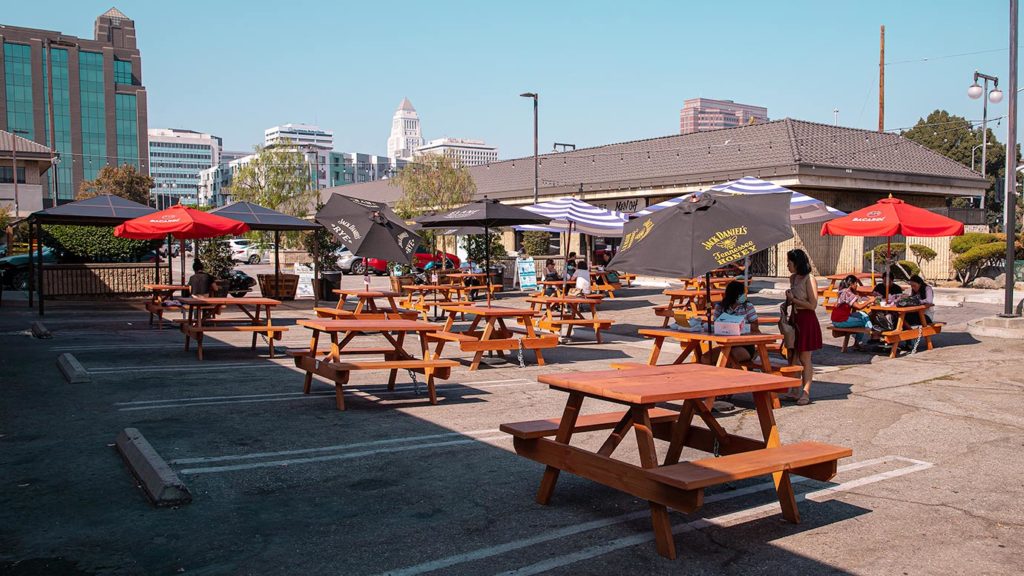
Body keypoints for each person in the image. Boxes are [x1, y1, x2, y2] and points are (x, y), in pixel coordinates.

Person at [784, 249, 821, 406]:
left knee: (805, 358)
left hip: (807, 320)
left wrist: (794, 299)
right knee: (792, 356)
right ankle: (793, 389)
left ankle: (805, 392)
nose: (787, 265)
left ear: (797, 263)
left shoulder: (809, 278)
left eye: (789, 262)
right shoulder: (793, 278)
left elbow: (812, 305)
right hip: (795, 320)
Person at [701, 280, 760, 366]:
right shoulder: (720, 307)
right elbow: (716, 325)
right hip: (726, 345)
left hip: (744, 345)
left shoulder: (747, 306)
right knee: (705, 358)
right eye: (742, 293)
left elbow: (755, 326)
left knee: (726, 359)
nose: (744, 295)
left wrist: (740, 326)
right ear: (735, 295)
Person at [831, 274, 877, 351]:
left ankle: (870, 331)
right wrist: (870, 301)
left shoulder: (842, 291)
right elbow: (859, 306)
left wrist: (865, 299)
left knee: (862, 315)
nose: (857, 285)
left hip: (835, 319)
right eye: (856, 283)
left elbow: (857, 300)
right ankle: (866, 337)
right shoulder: (848, 293)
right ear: (852, 284)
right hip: (841, 321)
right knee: (862, 322)